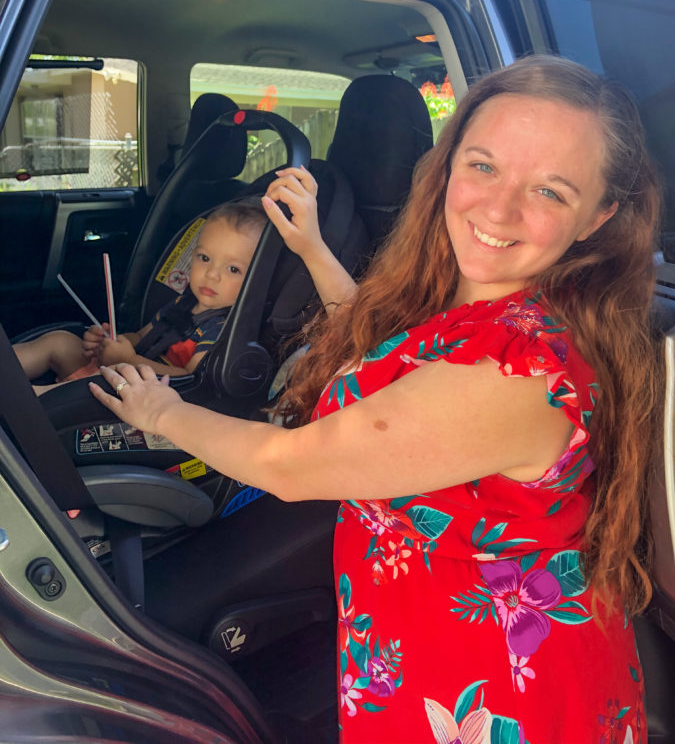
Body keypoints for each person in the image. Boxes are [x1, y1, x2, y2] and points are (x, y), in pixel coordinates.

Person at [90, 56, 661, 744]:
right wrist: (307, 245)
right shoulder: (484, 307)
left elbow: (288, 465)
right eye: (481, 166)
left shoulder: (520, 371)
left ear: (599, 216)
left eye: (549, 191)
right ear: (445, 164)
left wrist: (159, 411)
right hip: (428, 653)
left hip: (497, 691)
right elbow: (388, 353)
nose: (498, 207)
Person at [16, 200, 267, 390]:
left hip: (143, 395)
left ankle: (26, 400)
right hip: (123, 371)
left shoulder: (223, 330)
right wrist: (110, 342)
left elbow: (193, 380)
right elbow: (139, 336)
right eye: (204, 258)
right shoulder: (183, 303)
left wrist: (129, 359)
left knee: (73, 386)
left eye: (233, 269)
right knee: (60, 341)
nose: (212, 274)